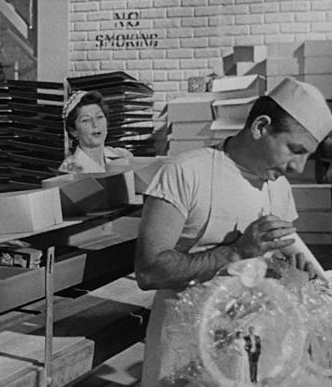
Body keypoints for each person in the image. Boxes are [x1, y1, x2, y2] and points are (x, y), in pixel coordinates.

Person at [135, 77, 332, 386]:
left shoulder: (279, 187)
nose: (298, 166)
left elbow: (279, 272)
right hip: (185, 350)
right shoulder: (185, 173)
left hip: (254, 352)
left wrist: (296, 277)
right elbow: (148, 271)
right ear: (260, 127)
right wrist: (237, 252)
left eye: (307, 155)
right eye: (295, 150)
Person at [59, 90, 132, 173]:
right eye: (86, 120)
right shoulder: (69, 169)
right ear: (73, 131)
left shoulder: (122, 155)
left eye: (99, 117)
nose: (95, 124)